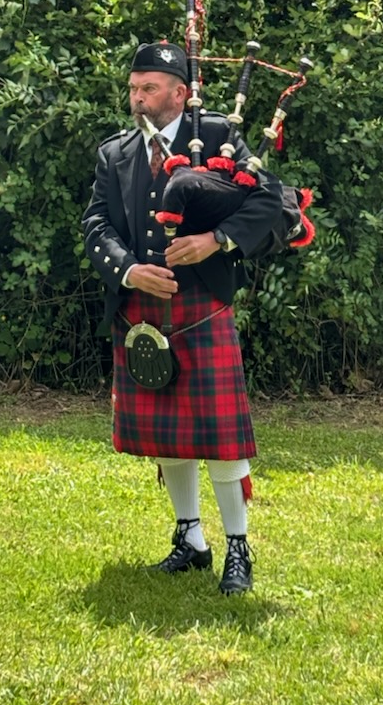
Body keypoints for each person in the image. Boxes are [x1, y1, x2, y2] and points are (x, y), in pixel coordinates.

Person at [82, 40, 283, 594]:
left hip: (201, 306)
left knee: (220, 438)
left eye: (148, 89)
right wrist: (127, 271)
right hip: (142, 310)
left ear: (180, 93)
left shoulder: (217, 136)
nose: (137, 99)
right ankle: (190, 540)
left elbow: (274, 202)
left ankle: (239, 548)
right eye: (132, 88)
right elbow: (96, 223)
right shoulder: (116, 153)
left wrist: (215, 241)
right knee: (167, 435)